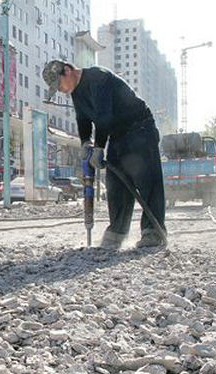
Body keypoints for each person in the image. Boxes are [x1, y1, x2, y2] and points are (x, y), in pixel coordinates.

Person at [42, 60, 166, 249]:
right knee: (116, 184)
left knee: (147, 181)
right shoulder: (76, 93)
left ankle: (153, 233)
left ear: (67, 71)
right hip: (117, 135)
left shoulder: (98, 78)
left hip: (140, 129)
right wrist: (85, 142)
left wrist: (99, 147)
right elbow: (83, 119)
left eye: (58, 84)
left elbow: (104, 116)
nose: (59, 90)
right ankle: (117, 232)